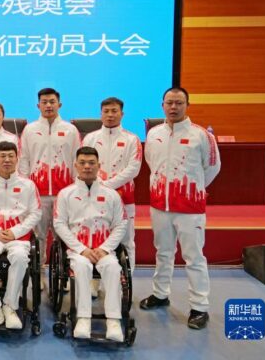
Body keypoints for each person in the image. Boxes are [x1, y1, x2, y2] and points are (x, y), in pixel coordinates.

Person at [140, 87, 221, 330]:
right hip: (159, 206)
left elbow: (212, 168)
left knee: (194, 257)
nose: (173, 107)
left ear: (187, 105)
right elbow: (151, 163)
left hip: (190, 208)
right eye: (169, 103)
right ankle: (160, 293)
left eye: (178, 103)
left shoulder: (201, 135)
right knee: (163, 252)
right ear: (162, 105)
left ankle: (199, 307)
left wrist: (192, 188)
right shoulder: (154, 134)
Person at [54, 146, 127, 341]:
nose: (87, 166)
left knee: (113, 268)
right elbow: (59, 224)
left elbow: (121, 224)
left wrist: (105, 248)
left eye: (91, 163)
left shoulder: (111, 194)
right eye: (83, 163)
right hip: (78, 251)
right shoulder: (65, 194)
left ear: (98, 165)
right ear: (75, 165)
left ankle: (113, 321)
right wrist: (81, 249)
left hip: (104, 251)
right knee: (82, 267)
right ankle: (83, 318)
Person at [0, 141, 41, 333]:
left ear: (17, 158)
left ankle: (10, 306)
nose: (7, 160)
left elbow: (35, 213)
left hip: (19, 237)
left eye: (11, 156)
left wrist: (15, 232)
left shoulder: (28, 185)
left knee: (20, 257)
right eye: (3, 156)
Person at [19, 88, 80, 264]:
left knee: (64, 235)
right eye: (44, 102)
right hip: (38, 193)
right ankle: (39, 272)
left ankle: (65, 272)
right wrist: (26, 188)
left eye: (52, 102)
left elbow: (76, 160)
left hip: (64, 193)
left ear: (59, 104)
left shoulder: (70, 130)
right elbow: (24, 160)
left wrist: (76, 188)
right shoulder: (29, 130)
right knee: (39, 235)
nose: (48, 105)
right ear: (38, 105)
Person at [82, 97, 142, 271]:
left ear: (122, 114)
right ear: (100, 114)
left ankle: (126, 280)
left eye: (114, 111)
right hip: (94, 198)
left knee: (127, 240)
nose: (110, 115)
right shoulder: (90, 138)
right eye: (106, 111)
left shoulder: (132, 139)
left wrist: (106, 185)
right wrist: (98, 187)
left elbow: (134, 168)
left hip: (124, 198)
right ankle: (96, 280)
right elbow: (82, 165)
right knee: (95, 238)